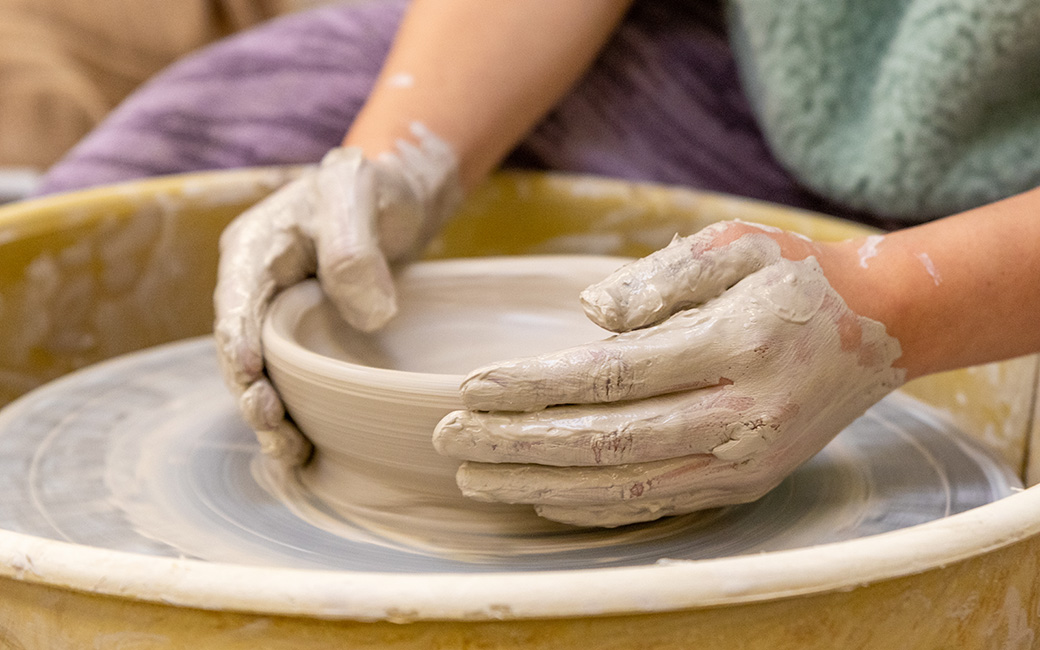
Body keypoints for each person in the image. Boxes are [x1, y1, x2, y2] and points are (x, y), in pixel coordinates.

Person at [38, 0, 1040, 526]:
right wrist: (405, 157)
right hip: (748, 87)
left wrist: (890, 306)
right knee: (203, 152)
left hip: (1004, 221)